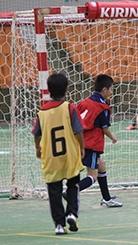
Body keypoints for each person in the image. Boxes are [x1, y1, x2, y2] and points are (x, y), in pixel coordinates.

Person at [32, 73, 84, 235]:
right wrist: (82, 147)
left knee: (54, 191)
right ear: (67, 90)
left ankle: (59, 225)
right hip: (69, 155)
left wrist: (38, 148)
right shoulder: (70, 108)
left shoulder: (42, 112)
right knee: (73, 185)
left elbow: (36, 133)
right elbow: (78, 131)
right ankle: (71, 213)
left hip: (51, 157)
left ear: (48, 90)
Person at [75, 74, 122, 207]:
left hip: (78, 141)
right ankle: (73, 191)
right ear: (104, 90)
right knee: (92, 176)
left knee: (101, 165)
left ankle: (106, 199)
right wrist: (112, 137)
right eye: (111, 89)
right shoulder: (102, 107)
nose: (112, 92)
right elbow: (104, 128)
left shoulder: (83, 102)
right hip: (91, 143)